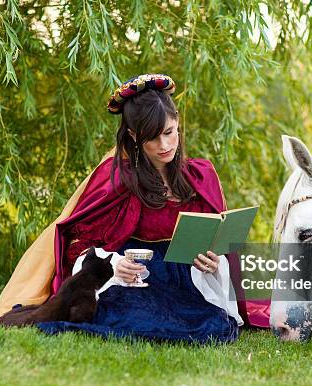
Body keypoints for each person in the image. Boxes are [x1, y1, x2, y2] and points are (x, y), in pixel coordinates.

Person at [36, 74, 243, 343]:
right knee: (137, 318)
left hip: (188, 282)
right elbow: (77, 245)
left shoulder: (201, 176)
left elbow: (219, 242)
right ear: (134, 136)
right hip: (136, 279)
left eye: (169, 133)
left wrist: (215, 264)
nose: (165, 146)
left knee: (212, 325)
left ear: (178, 123)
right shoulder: (118, 181)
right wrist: (114, 264)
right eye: (153, 138)